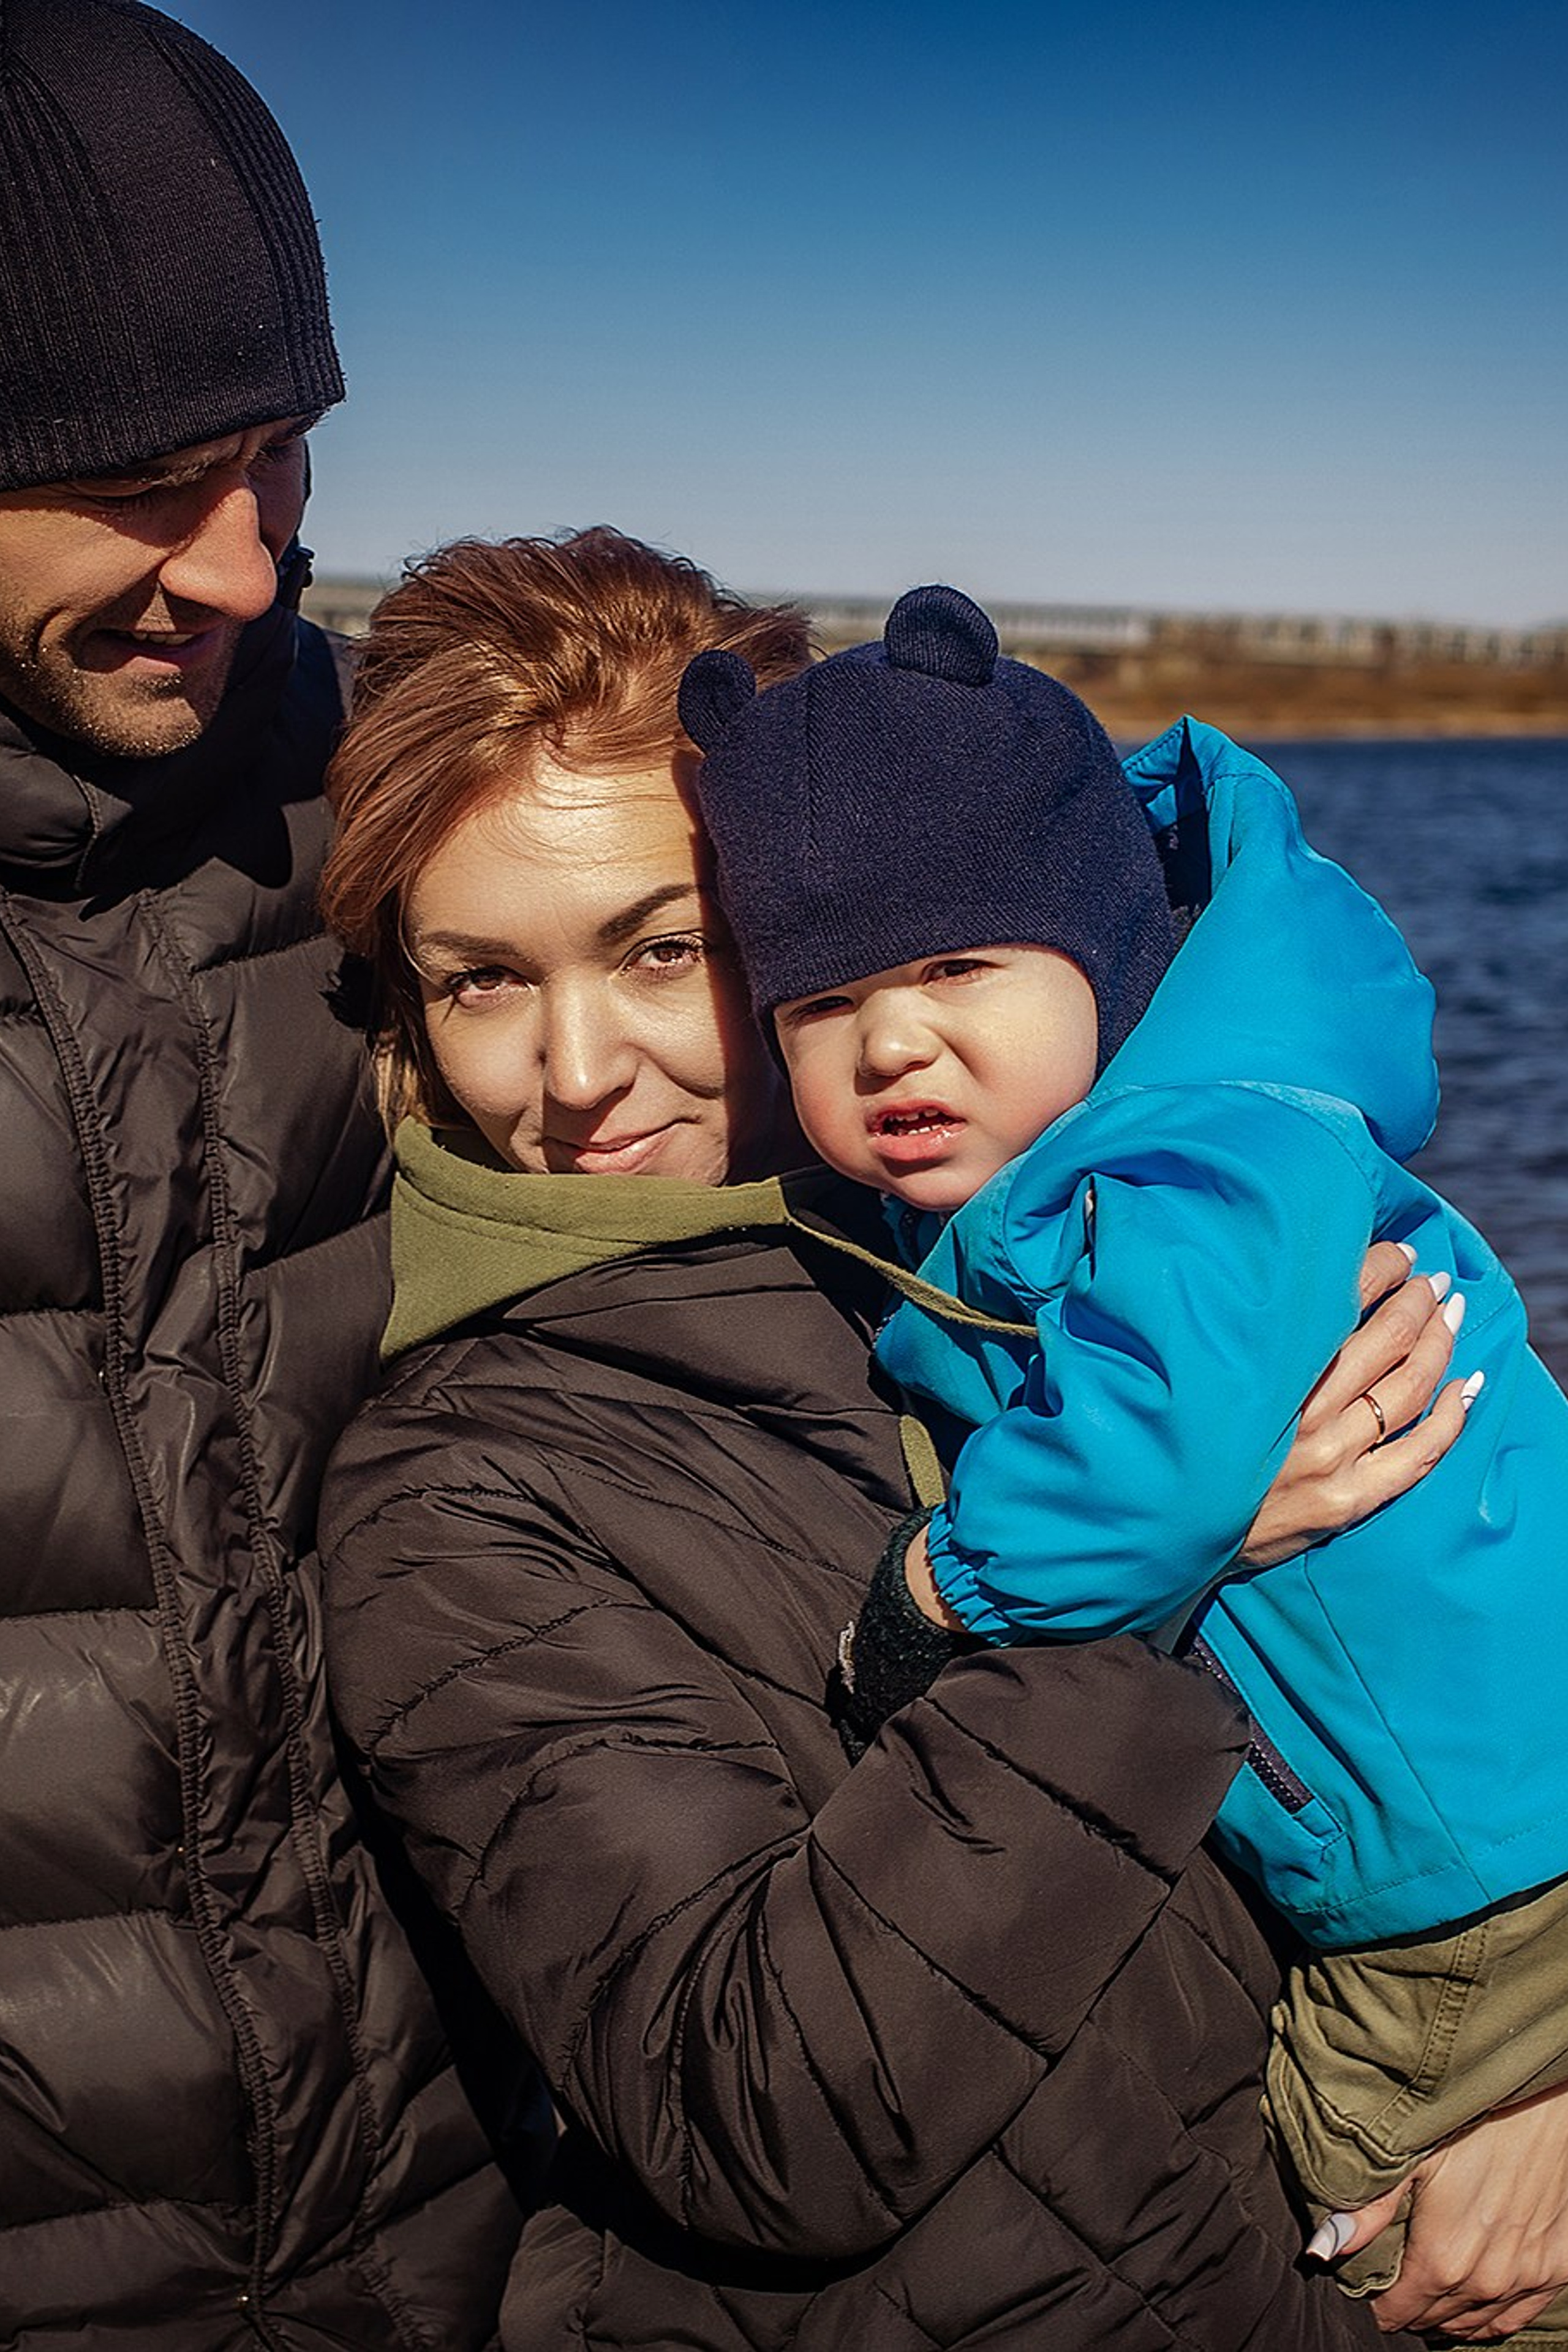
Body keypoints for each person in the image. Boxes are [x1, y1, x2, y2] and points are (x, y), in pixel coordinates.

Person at [314, 526, 1544, 2350]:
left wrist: (1537, 2077)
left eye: (667, 950)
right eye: (481, 978)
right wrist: (1158, 1571)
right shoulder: (462, 1492)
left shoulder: (1034, 1253)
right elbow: (757, 2114)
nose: (573, 1074)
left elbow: (1472, 1660)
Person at [678, 581, 1568, 2334]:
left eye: (957, 968)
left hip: (1468, 1872)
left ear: (1106, 949)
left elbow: (1165, 1459)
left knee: (1383, 2238)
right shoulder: (1108, 1156)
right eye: (824, 999)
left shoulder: (1200, 1158)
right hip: (1462, 1826)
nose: (891, 1039)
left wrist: (935, 1602)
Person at [0, 5, 534, 2340]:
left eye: (281, 457)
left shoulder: (403, 807)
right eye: (145, 476)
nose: (243, 567)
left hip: (484, 2227)